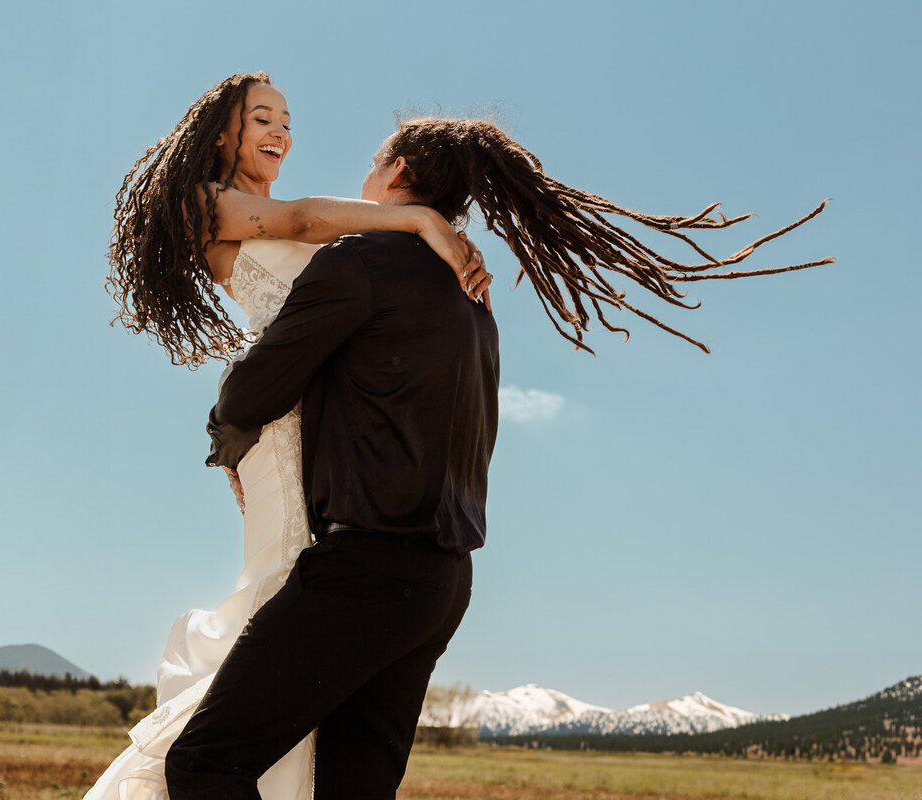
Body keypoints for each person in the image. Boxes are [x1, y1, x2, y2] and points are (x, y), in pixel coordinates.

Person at [160, 117, 833, 798]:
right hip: (442, 585)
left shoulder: (361, 260)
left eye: (374, 162)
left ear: (399, 173)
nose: (364, 175)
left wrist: (227, 437)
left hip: (365, 569)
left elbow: (253, 389)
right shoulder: (471, 298)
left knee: (204, 764)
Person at [84, 73, 487, 800]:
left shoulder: (348, 242)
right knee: (286, 602)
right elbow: (302, 222)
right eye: (260, 117)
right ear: (219, 136)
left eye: (287, 119)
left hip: (329, 436)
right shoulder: (205, 202)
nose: (280, 130)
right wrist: (421, 221)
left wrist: (415, 231)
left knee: (314, 648)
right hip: (282, 427)